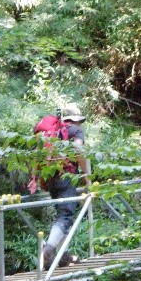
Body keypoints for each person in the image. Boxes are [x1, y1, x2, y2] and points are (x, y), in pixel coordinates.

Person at [41, 103, 89, 269]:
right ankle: (48, 250)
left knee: (62, 216)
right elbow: (78, 150)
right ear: (76, 119)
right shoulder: (75, 130)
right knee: (65, 216)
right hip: (66, 178)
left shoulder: (52, 132)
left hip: (51, 178)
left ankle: (63, 256)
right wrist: (86, 177)